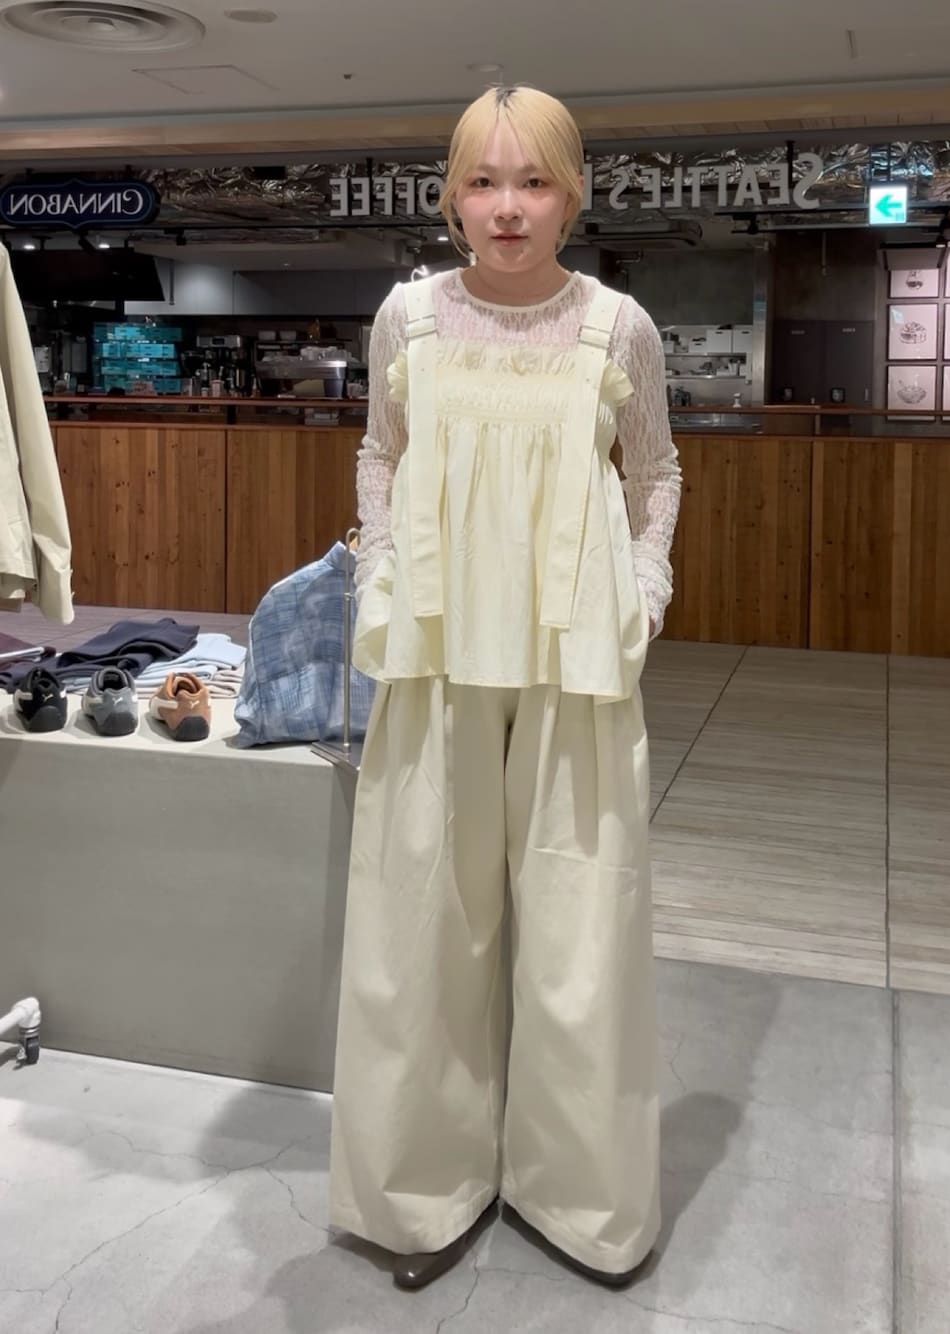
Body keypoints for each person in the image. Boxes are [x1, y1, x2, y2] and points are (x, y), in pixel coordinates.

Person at [329, 84, 682, 1291]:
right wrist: (379, 573)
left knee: (582, 931)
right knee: (418, 922)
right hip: (435, 649)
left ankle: (578, 1197)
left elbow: (654, 471)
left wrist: (643, 589)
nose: (508, 207)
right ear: (451, 196)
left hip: (576, 659)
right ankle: (419, 1187)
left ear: (573, 194)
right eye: (483, 181)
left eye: (533, 180)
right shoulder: (408, 318)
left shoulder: (619, 327)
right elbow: (381, 450)